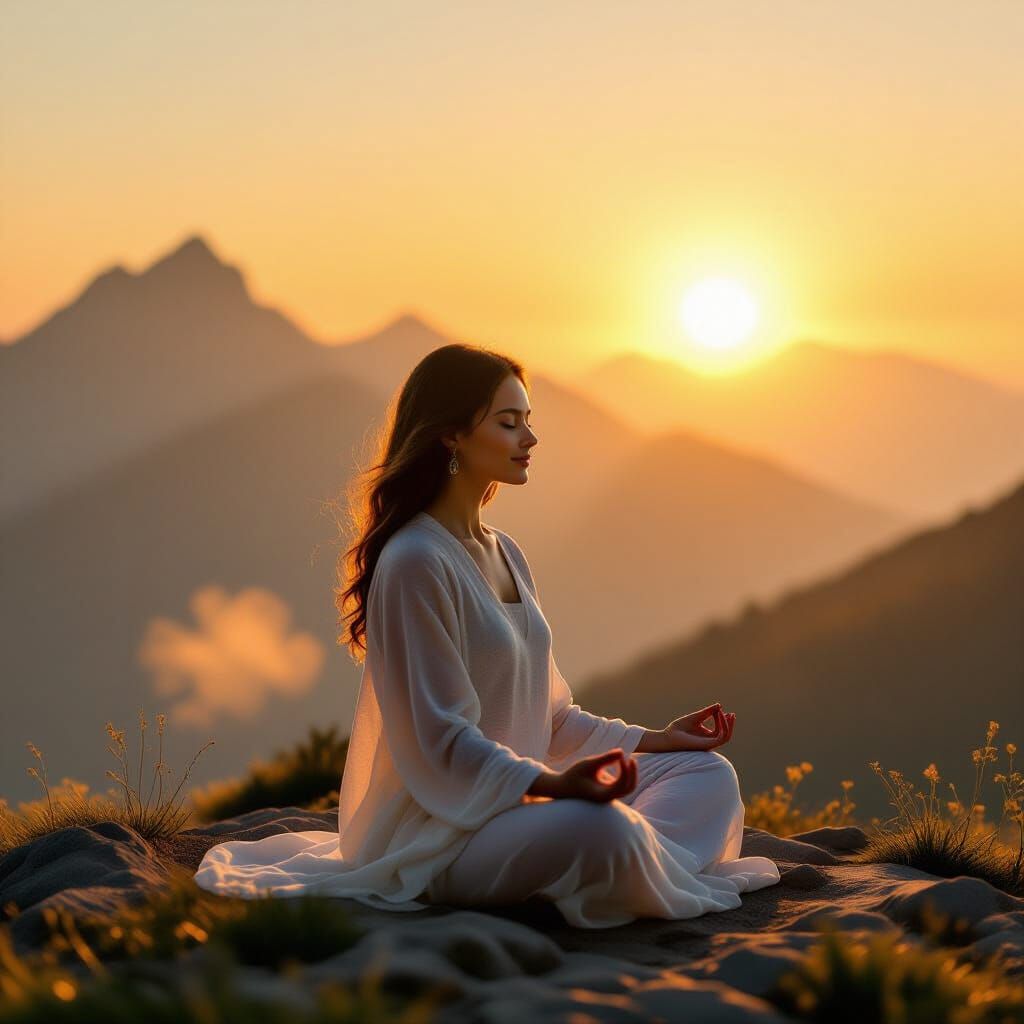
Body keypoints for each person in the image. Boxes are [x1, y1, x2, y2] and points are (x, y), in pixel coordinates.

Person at [193, 343, 781, 927]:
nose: (529, 438)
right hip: (448, 834)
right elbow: (441, 743)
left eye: (529, 421)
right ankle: (628, 863)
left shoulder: (507, 554)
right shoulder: (416, 560)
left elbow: (552, 720)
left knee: (706, 776)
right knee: (600, 827)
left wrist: (657, 739)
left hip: (527, 806)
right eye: (508, 423)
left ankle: (626, 864)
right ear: (451, 435)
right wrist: (553, 787)